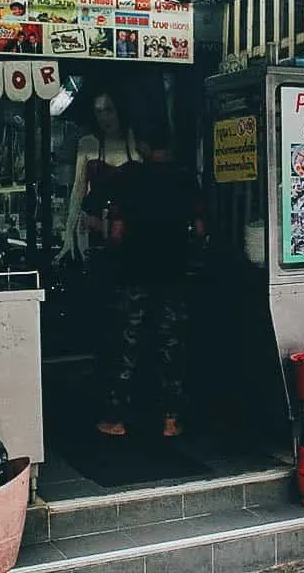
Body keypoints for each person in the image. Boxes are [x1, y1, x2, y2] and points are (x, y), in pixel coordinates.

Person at [96, 123, 205, 439]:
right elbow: (199, 229)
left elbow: (115, 231)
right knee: (171, 346)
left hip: (135, 274)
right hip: (174, 273)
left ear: (142, 145)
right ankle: (170, 421)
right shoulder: (186, 178)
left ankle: (117, 420)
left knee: (127, 344)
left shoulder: (131, 177)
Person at [56, 91, 141, 262]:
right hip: (94, 233)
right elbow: (78, 189)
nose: (104, 117)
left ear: (119, 110)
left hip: (132, 232)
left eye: (109, 110)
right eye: (98, 112)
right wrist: (68, 237)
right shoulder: (88, 144)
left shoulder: (135, 141)